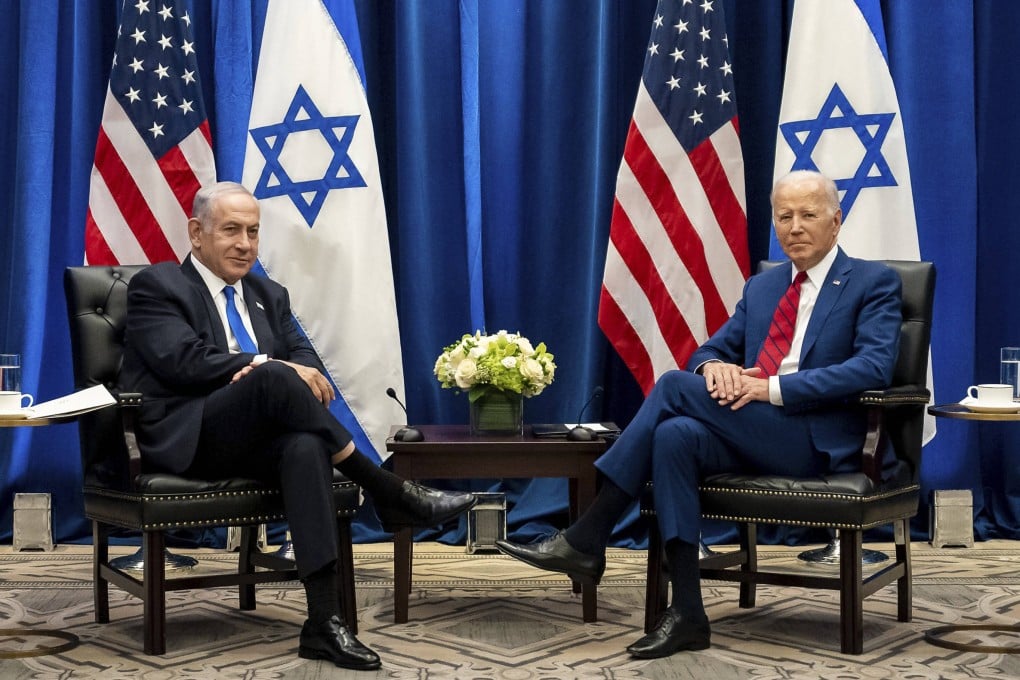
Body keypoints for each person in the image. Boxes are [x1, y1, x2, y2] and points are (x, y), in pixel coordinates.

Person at [495, 170, 903, 659]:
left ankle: (589, 533)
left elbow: (872, 367)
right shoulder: (762, 287)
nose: (794, 226)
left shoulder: (872, 281)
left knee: (670, 388)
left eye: (808, 215)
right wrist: (716, 371)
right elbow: (709, 350)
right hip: (753, 431)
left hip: (815, 441)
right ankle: (688, 612)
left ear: (836, 222)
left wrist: (768, 387)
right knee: (676, 436)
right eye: (784, 216)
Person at [121, 181, 477, 671]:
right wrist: (267, 367)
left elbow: (307, 362)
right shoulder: (158, 286)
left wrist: (277, 370)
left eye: (253, 232)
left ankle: (323, 622)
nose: (245, 244)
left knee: (304, 446)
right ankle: (385, 488)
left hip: (258, 440)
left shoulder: (270, 294)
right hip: (191, 438)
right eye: (230, 230)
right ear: (196, 233)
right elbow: (185, 362)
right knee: (273, 376)